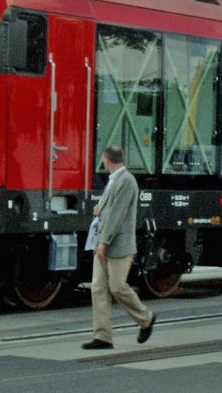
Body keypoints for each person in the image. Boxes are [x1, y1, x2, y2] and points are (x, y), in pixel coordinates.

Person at [82, 145, 155, 350]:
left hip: (118, 245)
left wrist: (103, 242)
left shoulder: (126, 181)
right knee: (98, 287)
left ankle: (146, 318)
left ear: (107, 159)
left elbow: (117, 214)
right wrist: (100, 210)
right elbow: (110, 209)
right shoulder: (115, 180)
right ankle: (103, 336)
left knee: (117, 287)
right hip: (105, 243)